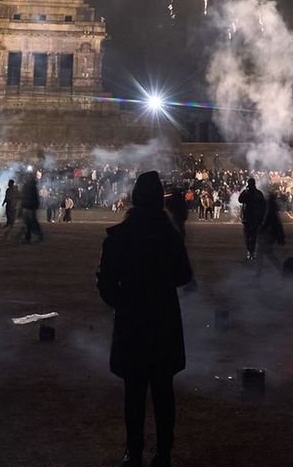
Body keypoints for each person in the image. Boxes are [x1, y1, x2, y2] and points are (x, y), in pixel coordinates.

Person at [96, 171, 193, 467]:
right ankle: (163, 452)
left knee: (134, 392)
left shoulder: (120, 236)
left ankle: (134, 451)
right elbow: (184, 276)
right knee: (164, 392)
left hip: (133, 321)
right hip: (162, 319)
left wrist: (122, 303)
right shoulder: (170, 235)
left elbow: (106, 284)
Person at [238, 178, 266, 260]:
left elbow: (240, 200)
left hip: (249, 217)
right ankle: (252, 252)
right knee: (253, 236)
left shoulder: (248, 193)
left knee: (248, 236)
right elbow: (263, 206)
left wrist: (244, 191)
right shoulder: (258, 193)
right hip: (255, 218)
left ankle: (249, 251)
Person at [21, 174, 43, 243]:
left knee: (31, 222)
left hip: (29, 206)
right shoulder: (31, 187)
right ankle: (29, 236)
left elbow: (31, 197)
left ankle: (37, 235)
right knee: (29, 222)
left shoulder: (30, 187)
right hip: (29, 206)